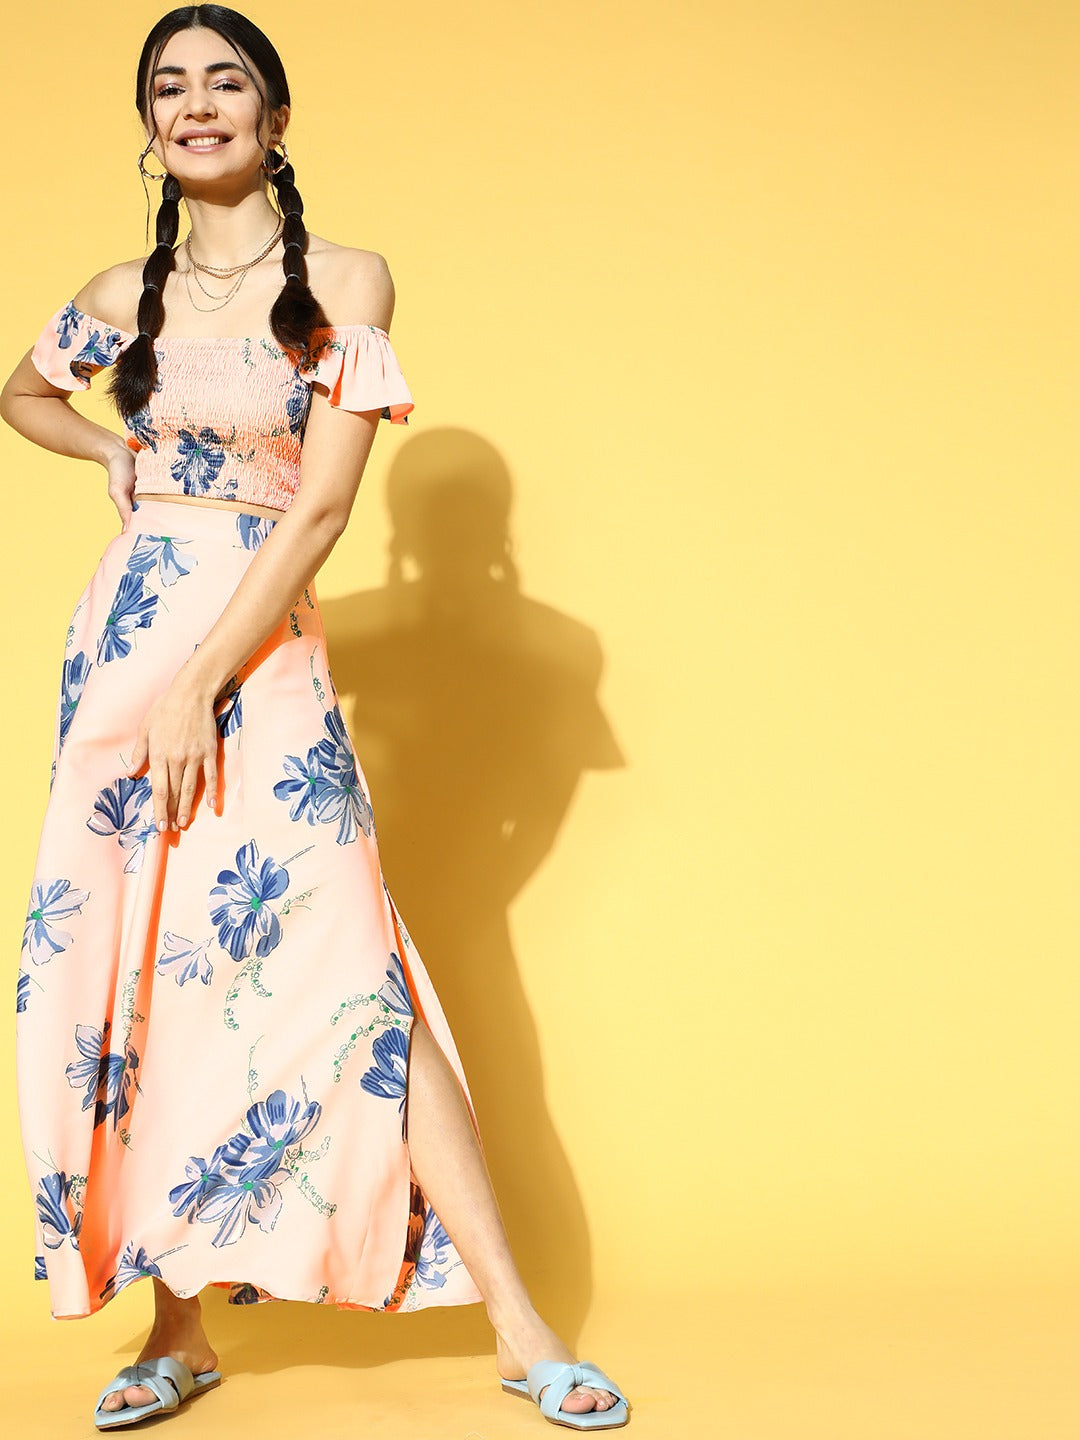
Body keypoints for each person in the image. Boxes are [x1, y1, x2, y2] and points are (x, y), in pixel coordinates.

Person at [0, 5, 631, 1432]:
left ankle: (521, 1331)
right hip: (126, 641)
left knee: (360, 980)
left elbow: (325, 508)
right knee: (143, 976)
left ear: (276, 118)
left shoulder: (347, 280)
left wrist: (202, 682)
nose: (196, 105)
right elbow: (23, 393)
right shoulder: (121, 290)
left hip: (257, 646)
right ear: (149, 124)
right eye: (169, 86)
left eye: (226, 82)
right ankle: (177, 1331)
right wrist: (108, 451)